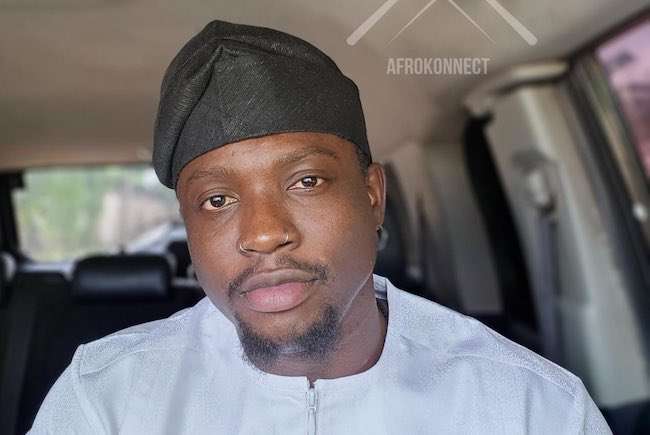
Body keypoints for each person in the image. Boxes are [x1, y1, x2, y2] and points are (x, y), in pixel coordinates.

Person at [29, 19, 611, 434]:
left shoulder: (531, 406)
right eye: (217, 199)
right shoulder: (105, 400)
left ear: (373, 195)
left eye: (305, 181)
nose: (263, 233)